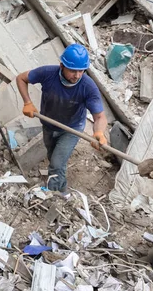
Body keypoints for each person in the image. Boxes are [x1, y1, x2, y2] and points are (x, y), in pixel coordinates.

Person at [15, 44, 107, 194]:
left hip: (71, 129)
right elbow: (21, 78)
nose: (77, 75)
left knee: (56, 163)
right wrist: (27, 102)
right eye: (72, 70)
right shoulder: (47, 73)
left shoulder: (88, 87)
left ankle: (52, 195)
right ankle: (63, 189)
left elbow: (100, 117)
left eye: (81, 70)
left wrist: (99, 132)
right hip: (49, 124)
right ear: (61, 66)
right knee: (54, 159)